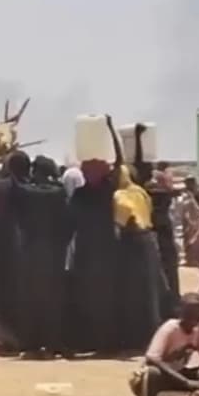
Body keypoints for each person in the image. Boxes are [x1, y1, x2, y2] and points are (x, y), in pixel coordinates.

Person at [66, 116, 122, 354]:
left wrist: (110, 129)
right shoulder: (82, 194)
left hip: (103, 254)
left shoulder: (109, 189)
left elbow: (121, 162)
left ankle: (104, 344)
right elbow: (70, 223)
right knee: (90, 300)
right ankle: (92, 342)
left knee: (104, 301)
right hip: (90, 254)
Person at [17, 156, 71, 357]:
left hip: (31, 251)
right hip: (54, 252)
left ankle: (32, 343)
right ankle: (53, 342)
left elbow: (20, 220)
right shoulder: (58, 192)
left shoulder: (26, 192)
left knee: (32, 298)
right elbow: (68, 222)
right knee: (54, 299)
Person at [114, 164, 167, 352]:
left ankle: (135, 340)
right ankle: (152, 339)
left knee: (133, 293)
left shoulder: (120, 196)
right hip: (150, 241)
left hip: (132, 245)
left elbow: (119, 224)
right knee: (150, 292)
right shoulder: (141, 192)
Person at [135, 125, 179, 316]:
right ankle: (170, 310)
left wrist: (138, 139)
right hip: (163, 241)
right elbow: (141, 167)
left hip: (157, 241)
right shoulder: (165, 196)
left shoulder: (146, 197)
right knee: (168, 276)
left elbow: (140, 167)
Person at [0, 151, 30, 347]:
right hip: (23, 248)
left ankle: (7, 338)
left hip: (3, 246)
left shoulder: (2, 187)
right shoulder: (29, 185)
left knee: (3, 292)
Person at [179, 176, 199, 266]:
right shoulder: (186, 193)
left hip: (196, 219)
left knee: (195, 239)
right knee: (187, 238)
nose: (186, 185)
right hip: (187, 219)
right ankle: (189, 259)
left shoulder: (198, 193)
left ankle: (195, 259)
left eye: (188, 183)